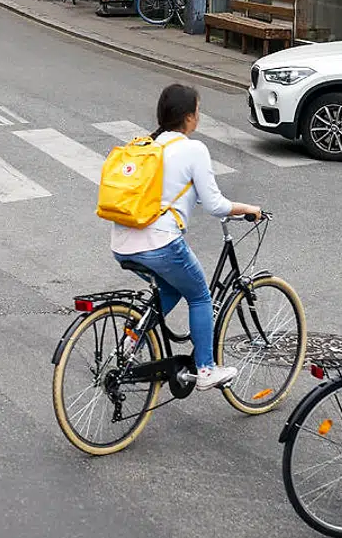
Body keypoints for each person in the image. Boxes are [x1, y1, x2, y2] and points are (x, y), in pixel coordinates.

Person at [109, 85, 261, 391]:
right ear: (189, 118)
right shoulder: (193, 149)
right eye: (198, 111)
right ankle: (205, 369)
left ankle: (130, 342)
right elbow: (215, 204)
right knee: (200, 295)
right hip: (160, 244)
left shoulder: (145, 145)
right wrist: (248, 209)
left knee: (174, 288)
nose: (198, 117)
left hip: (122, 243)